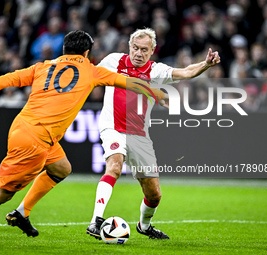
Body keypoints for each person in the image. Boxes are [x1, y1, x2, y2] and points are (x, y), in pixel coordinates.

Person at [0, 30, 168, 246]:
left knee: (62, 168)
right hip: (35, 142)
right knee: (0, 194)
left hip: (23, 128)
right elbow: (129, 82)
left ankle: (22, 213)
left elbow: (6, 79)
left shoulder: (42, 66)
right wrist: (154, 91)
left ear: (64, 50)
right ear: (87, 53)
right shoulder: (91, 70)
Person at [86, 28, 220, 240]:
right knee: (115, 165)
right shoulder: (113, 61)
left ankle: (145, 226)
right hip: (113, 127)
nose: (138, 53)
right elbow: (89, 74)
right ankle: (96, 220)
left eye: (144, 50)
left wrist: (205, 65)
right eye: (135, 48)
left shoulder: (156, 71)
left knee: (154, 194)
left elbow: (185, 72)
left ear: (152, 51)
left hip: (140, 136)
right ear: (129, 46)